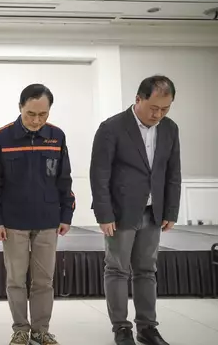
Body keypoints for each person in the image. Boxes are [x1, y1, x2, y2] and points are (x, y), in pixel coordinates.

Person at [90, 75, 180, 345]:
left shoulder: (170, 129)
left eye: (165, 109)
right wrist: (104, 214)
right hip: (120, 212)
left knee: (146, 270)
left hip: (154, 211)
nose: (158, 114)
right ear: (138, 99)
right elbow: (99, 174)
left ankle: (147, 328)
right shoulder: (112, 128)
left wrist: (171, 211)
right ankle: (121, 328)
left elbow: (173, 172)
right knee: (117, 269)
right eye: (154, 108)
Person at [0, 84, 75, 345]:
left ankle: (41, 330)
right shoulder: (1, 138)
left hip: (48, 220)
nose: (37, 121)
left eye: (43, 115)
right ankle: (20, 329)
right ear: (20, 108)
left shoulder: (57, 136)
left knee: (44, 280)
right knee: (15, 280)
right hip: (13, 223)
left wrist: (66, 214)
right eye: (30, 114)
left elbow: (64, 178)